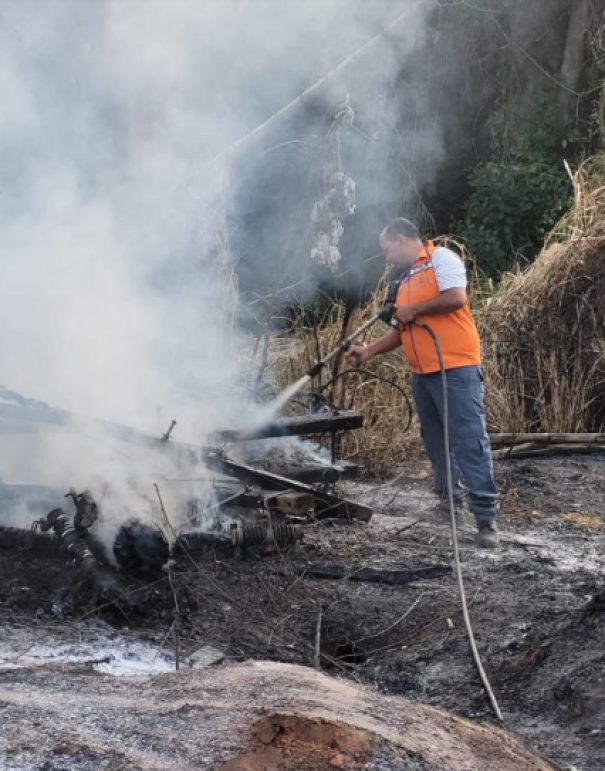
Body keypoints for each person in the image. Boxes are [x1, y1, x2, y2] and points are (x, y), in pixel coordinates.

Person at [346, 217, 500, 548]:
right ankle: (448, 503)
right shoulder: (404, 280)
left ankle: (486, 518)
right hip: (423, 373)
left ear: (401, 240)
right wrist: (368, 351)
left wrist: (414, 309)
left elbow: (456, 298)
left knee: (469, 440)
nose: (387, 257)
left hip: (455, 368)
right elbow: (401, 330)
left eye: (387, 250)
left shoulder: (441, 259)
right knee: (435, 440)